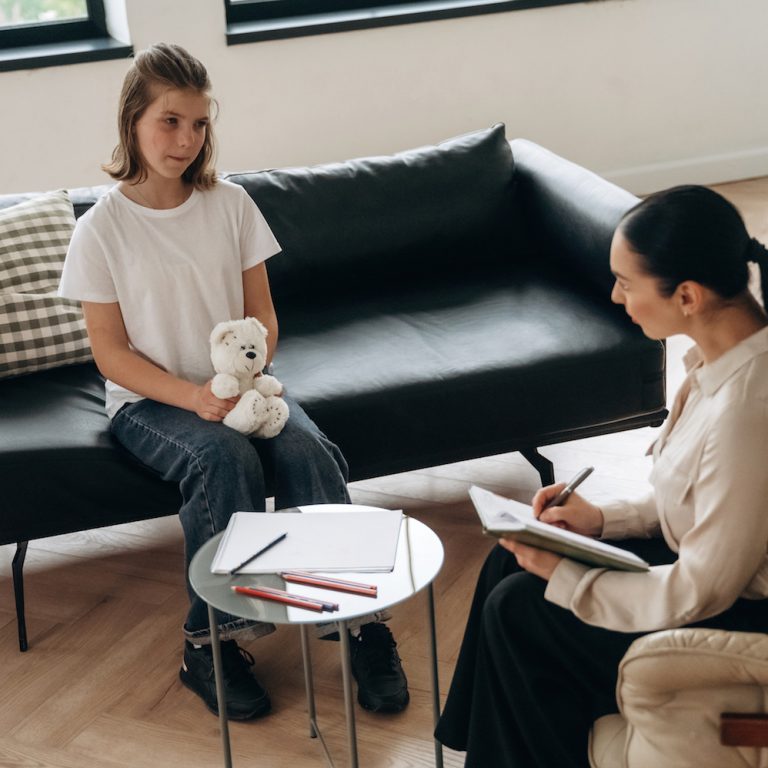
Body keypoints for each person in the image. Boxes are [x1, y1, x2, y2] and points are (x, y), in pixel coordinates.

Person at [58, 42, 408, 720]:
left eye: (198, 123)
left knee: (308, 451)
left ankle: (359, 623)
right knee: (221, 456)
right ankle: (208, 644)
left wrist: (244, 374)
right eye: (169, 121)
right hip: (151, 401)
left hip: (247, 390)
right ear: (133, 119)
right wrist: (193, 396)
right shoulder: (101, 229)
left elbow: (264, 317)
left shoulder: (232, 204)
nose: (186, 139)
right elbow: (110, 353)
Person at [435, 185, 768, 767]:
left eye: (627, 282)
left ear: (687, 295)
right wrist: (600, 520)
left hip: (738, 612)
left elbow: (703, 589)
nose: (616, 297)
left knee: (523, 612)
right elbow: (698, 498)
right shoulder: (715, 365)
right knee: (506, 562)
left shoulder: (749, 408)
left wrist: (572, 579)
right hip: (711, 575)